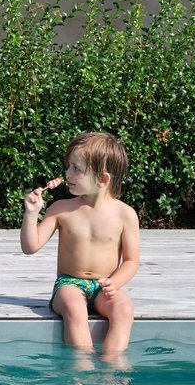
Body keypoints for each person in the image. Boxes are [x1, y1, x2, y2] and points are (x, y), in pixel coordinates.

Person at [20, 131, 141, 355]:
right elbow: (30, 246)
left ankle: (112, 365)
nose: (68, 173)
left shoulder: (125, 215)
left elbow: (131, 260)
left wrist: (115, 282)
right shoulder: (61, 209)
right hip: (69, 285)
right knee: (75, 309)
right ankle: (82, 365)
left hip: (104, 286)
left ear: (102, 179)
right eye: (69, 166)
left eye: (76, 169)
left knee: (124, 310)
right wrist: (31, 214)